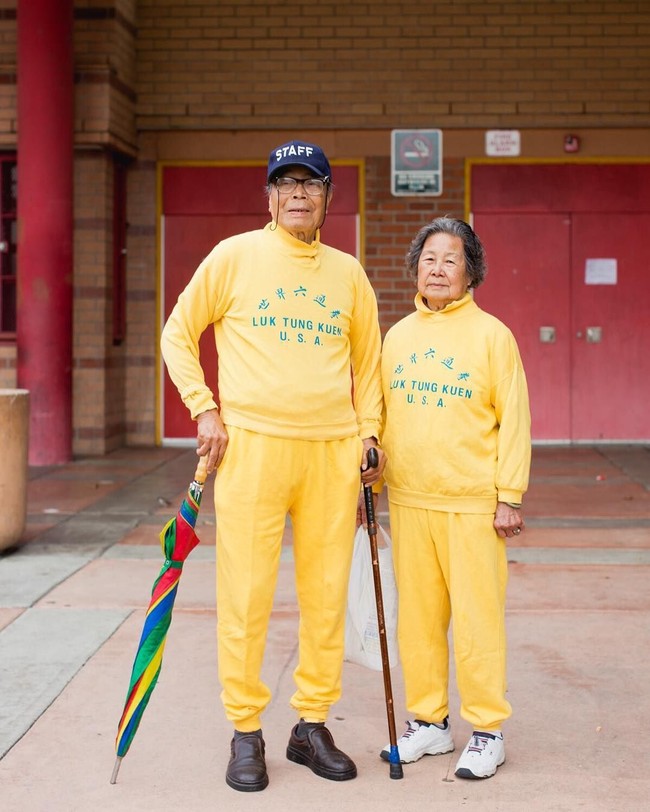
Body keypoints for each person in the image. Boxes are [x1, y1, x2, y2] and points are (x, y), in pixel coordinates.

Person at [160, 139, 385, 792]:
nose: (297, 194)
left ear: (327, 199)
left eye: (310, 185)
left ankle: (310, 725)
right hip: (252, 449)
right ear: (267, 197)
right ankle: (246, 732)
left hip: (330, 454)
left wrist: (369, 433)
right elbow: (179, 331)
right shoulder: (235, 257)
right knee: (247, 596)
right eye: (285, 184)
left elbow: (368, 363)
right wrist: (203, 409)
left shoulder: (348, 274)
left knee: (325, 598)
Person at [378, 216, 531, 780]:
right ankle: (431, 723)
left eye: (451, 259)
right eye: (429, 258)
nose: (437, 269)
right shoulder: (397, 336)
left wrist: (508, 494)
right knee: (418, 619)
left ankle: (487, 730)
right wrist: (372, 464)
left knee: (476, 621)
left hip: (471, 504)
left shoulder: (493, 336)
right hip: (411, 500)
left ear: (471, 273)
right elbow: (381, 410)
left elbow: (514, 419)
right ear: (416, 267)